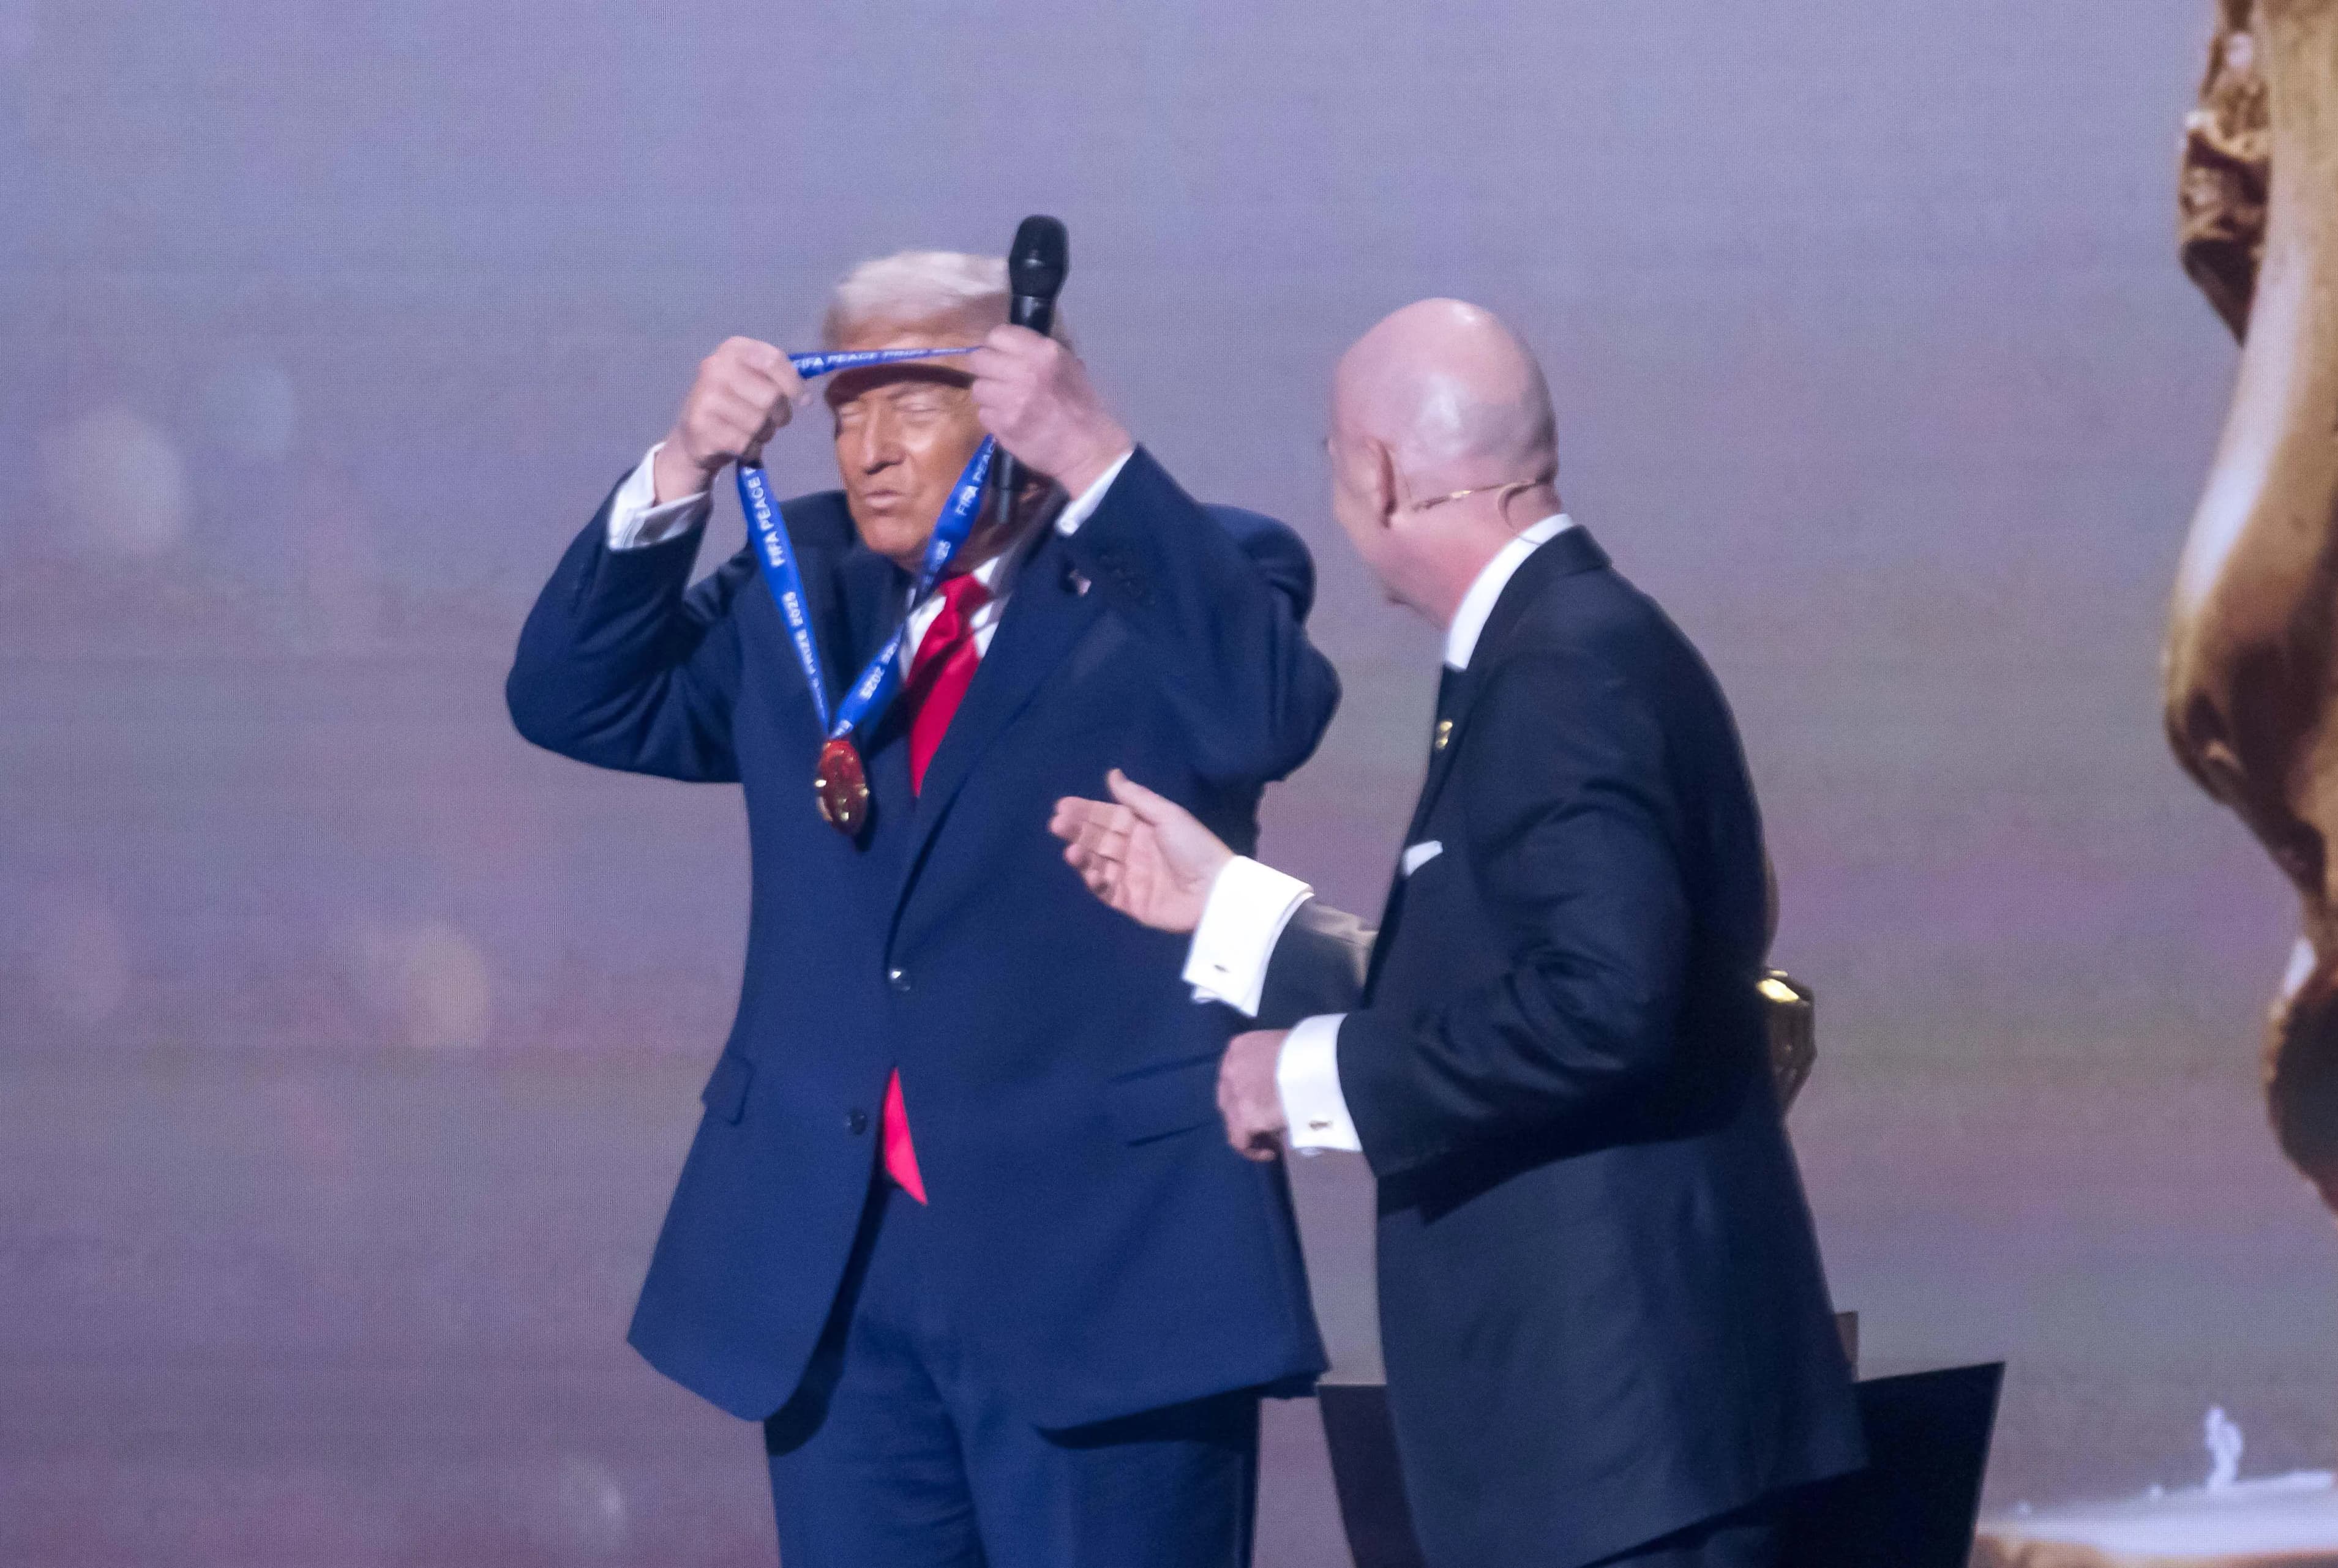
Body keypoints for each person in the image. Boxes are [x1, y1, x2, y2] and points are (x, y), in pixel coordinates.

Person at [506, 250, 1338, 1568]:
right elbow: (575, 698)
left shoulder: (1190, 567)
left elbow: (1264, 712)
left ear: (1017, 395)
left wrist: (1094, 455)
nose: (868, 450)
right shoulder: (815, 584)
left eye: (912, 403)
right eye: (845, 410)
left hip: (1097, 1270)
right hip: (836, 1267)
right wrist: (676, 470)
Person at [1049, 299, 1864, 1568]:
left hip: (1624, 1454)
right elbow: (1497, 978)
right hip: (1607, 1451)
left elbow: (1600, 1004)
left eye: (1331, 460)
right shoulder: (1565, 648)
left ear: (1378, 471)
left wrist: (1308, 1075)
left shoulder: (1566, 669)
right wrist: (1231, 909)